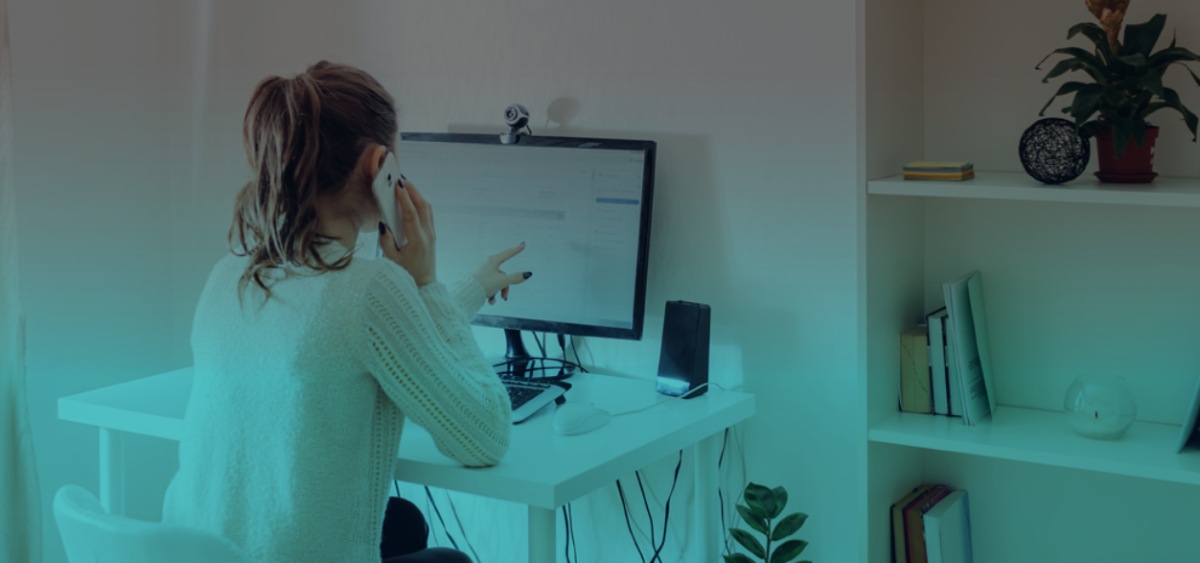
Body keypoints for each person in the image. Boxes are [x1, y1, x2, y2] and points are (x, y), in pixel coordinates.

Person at [161, 60, 529, 563]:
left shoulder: (230, 275)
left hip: (201, 553)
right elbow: (485, 437)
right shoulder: (372, 289)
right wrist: (424, 282)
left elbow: (366, 341)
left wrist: (471, 288)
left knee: (403, 522)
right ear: (381, 166)